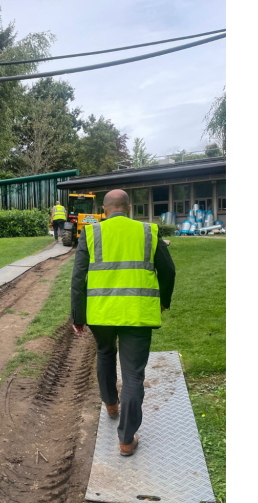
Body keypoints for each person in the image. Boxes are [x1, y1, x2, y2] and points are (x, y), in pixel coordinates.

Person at [70, 189, 175, 456]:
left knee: (105, 355)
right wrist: (164, 300)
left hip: (101, 314)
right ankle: (127, 440)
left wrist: (78, 316)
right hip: (137, 314)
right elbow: (168, 270)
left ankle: (110, 405)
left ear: (104, 209)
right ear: (128, 208)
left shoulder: (91, 233)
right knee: (133, 376)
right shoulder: (148, 231)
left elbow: (78, 277)